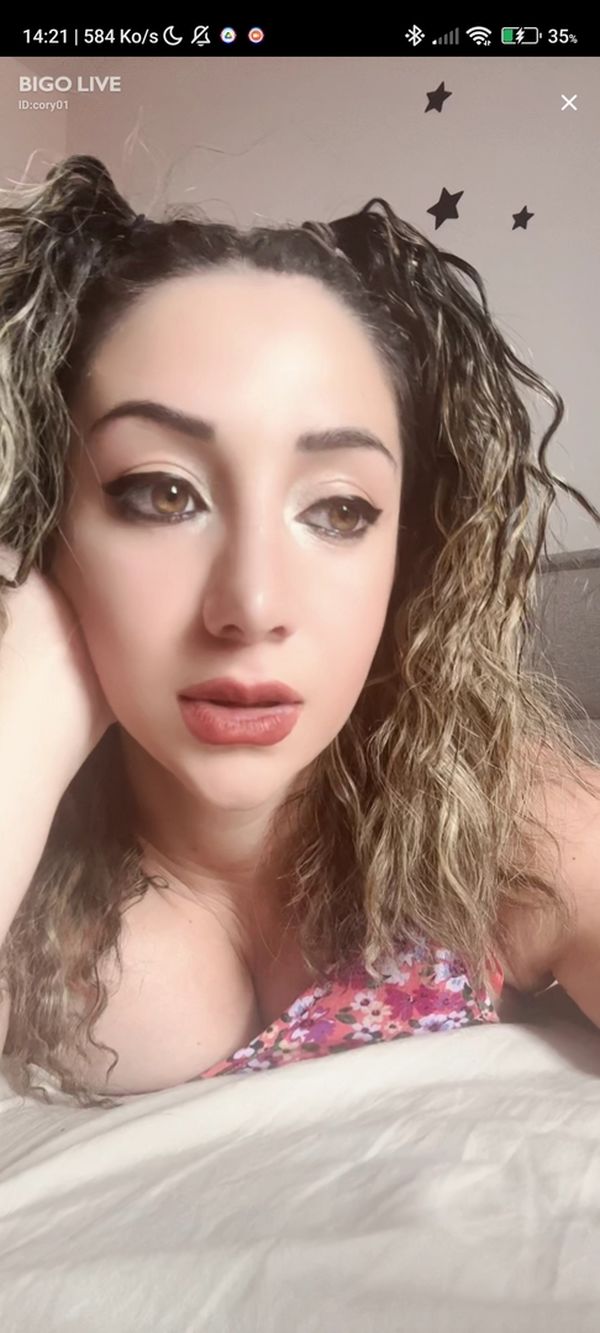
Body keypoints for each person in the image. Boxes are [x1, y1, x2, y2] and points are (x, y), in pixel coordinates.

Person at [0, 154, 598, 1108]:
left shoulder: (507, 827)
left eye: (339, 510)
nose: (252, 602)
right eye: (162, 493)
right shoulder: (23, 864)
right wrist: (21, 712)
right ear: (45, 520)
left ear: (410, 555)